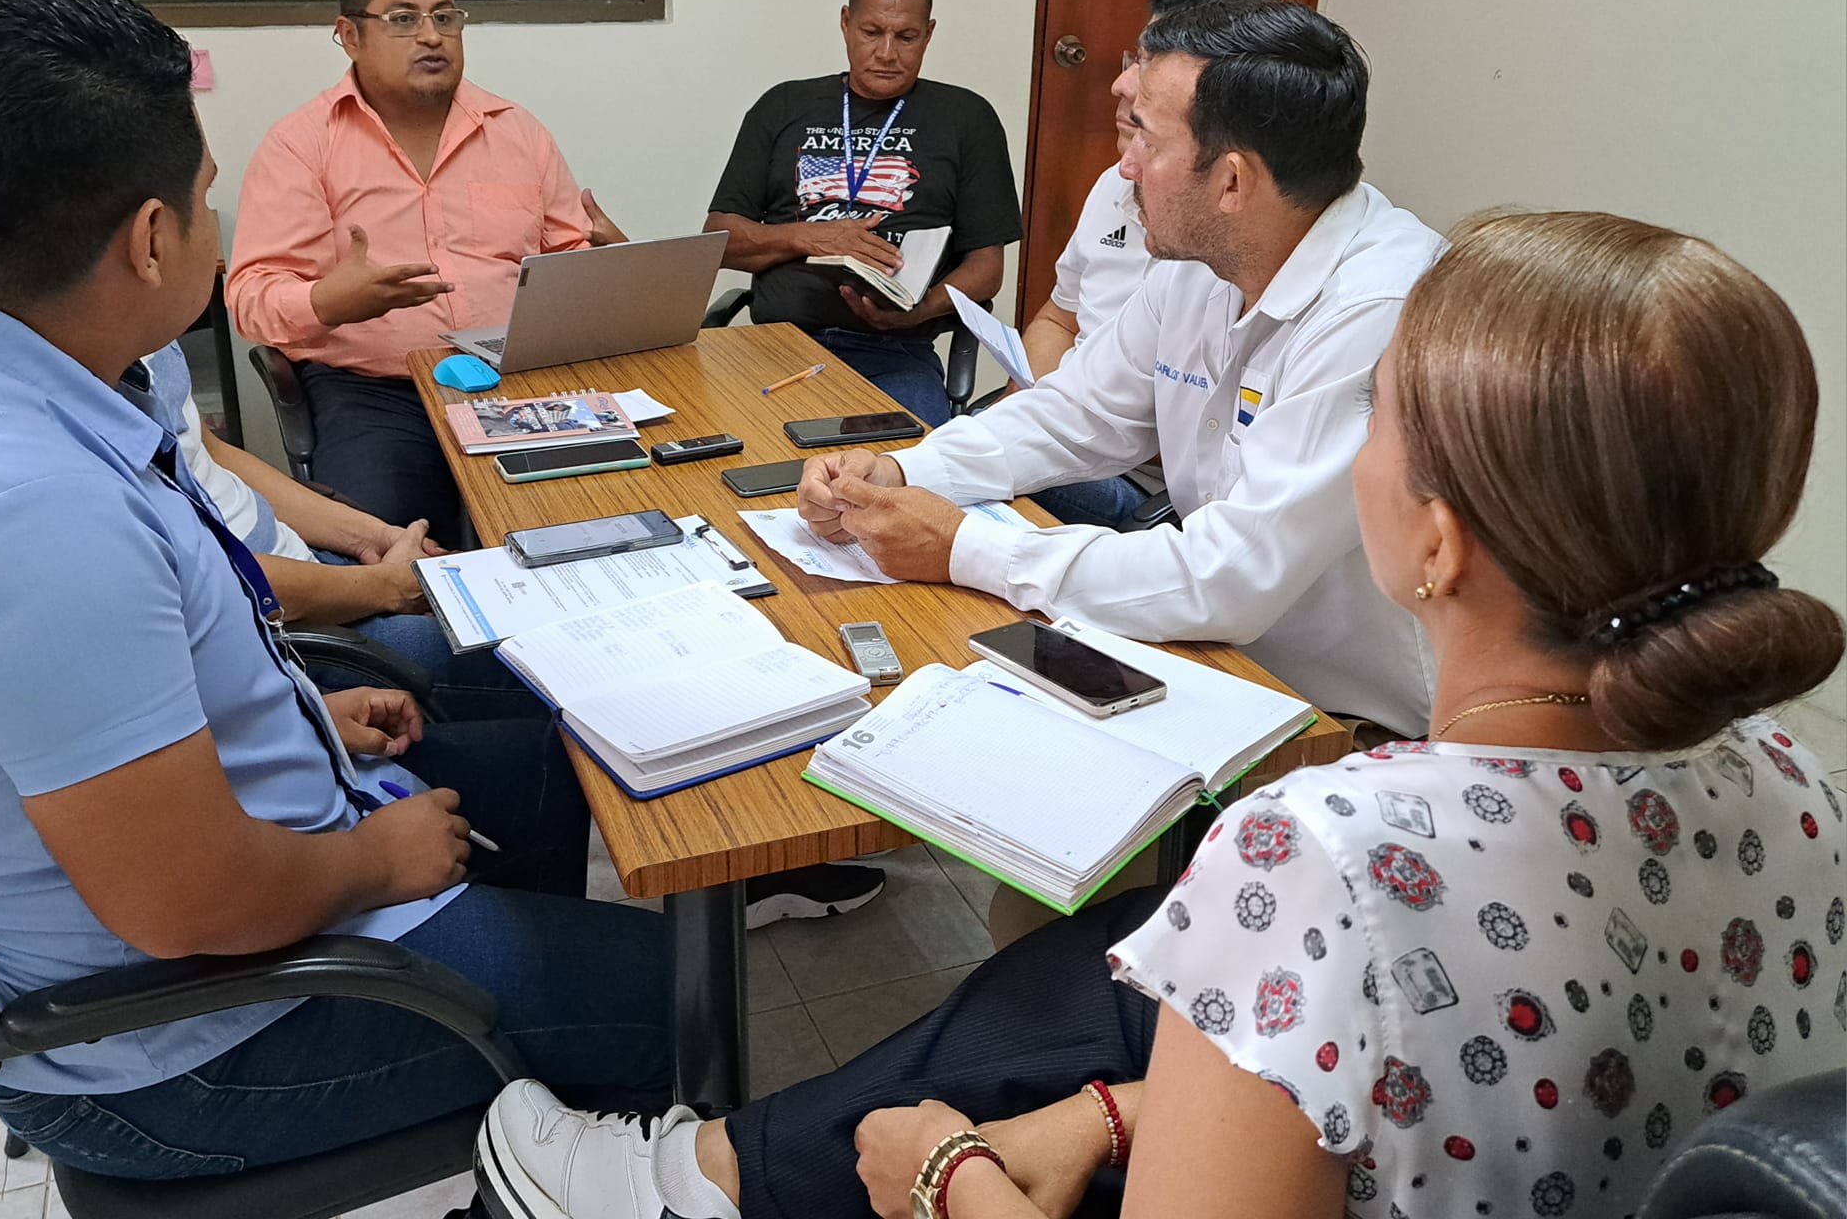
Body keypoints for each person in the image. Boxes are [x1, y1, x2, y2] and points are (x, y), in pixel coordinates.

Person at [472, 208, 1847, 1219]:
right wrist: (1116, 1114)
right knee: (1079, 982)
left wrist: (944, 1175)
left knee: (1046, 1009)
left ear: (1437, 541)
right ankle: (710, 1177)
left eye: (1372, 420)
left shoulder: (1326, 853)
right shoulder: (1799, 782)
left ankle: (695, 1184)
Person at [0, 0, 668, 1179]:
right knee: (688, 999)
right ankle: (553, 1143)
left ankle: (538, 1053)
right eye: (207, 197)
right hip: (191, 1040)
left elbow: (128, 655)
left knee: (538, 766)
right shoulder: (18, 514)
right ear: (151, 239)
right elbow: (187, 906)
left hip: (211, 891)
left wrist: (296, 717)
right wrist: (375, 862)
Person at [796, 0, 1442, 737]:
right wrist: (902, 473)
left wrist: (962, 546)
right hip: (1220, 659)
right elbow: (1078, 411)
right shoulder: (1207, 257)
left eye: (1146, 140)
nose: (1124, 165)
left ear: (1232, 183)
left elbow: (1229, 575)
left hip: (1351, 721)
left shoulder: (1380, 308)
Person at [226, 0, 594, 541]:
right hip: (377, 392)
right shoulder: (301, 144)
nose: (431, 36)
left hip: (520, 380)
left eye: (445, 17)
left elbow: (567, 259)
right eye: (403, 19)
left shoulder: (518, 132)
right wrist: (328, 302)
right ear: (350, 35)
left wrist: (604, 266)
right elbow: (251, 295)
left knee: (594, 526)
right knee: (388, 549)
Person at [126, 340, 544, 722]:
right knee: (542, 662)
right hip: (280, 631)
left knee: (536, 600)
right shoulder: (100, 425)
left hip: (303, 570)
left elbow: (210, 454)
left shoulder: (138, 340)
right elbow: (212, 581)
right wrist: (390, 586)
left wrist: (375, 536)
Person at [705, 0, 1023, 427]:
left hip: (894, 351)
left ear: (929, 33)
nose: (887, 53)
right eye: (872, 32)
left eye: (906, 36)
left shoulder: (967, 119)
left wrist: (919, 312)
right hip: (775, 343)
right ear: (845, 23)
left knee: (912, 466)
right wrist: (810, 237)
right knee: (725, 451)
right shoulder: (782, 106)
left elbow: (986, 268)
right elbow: (720, 239)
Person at [1023, 0, 1277, 529]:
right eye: (1133, 59)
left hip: (1151, 488)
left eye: (1150, 66)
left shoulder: (1221, 242)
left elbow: (1232, 539)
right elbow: (1062, 328)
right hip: (1090, 436)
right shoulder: (1118, 186)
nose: (1122, 85)